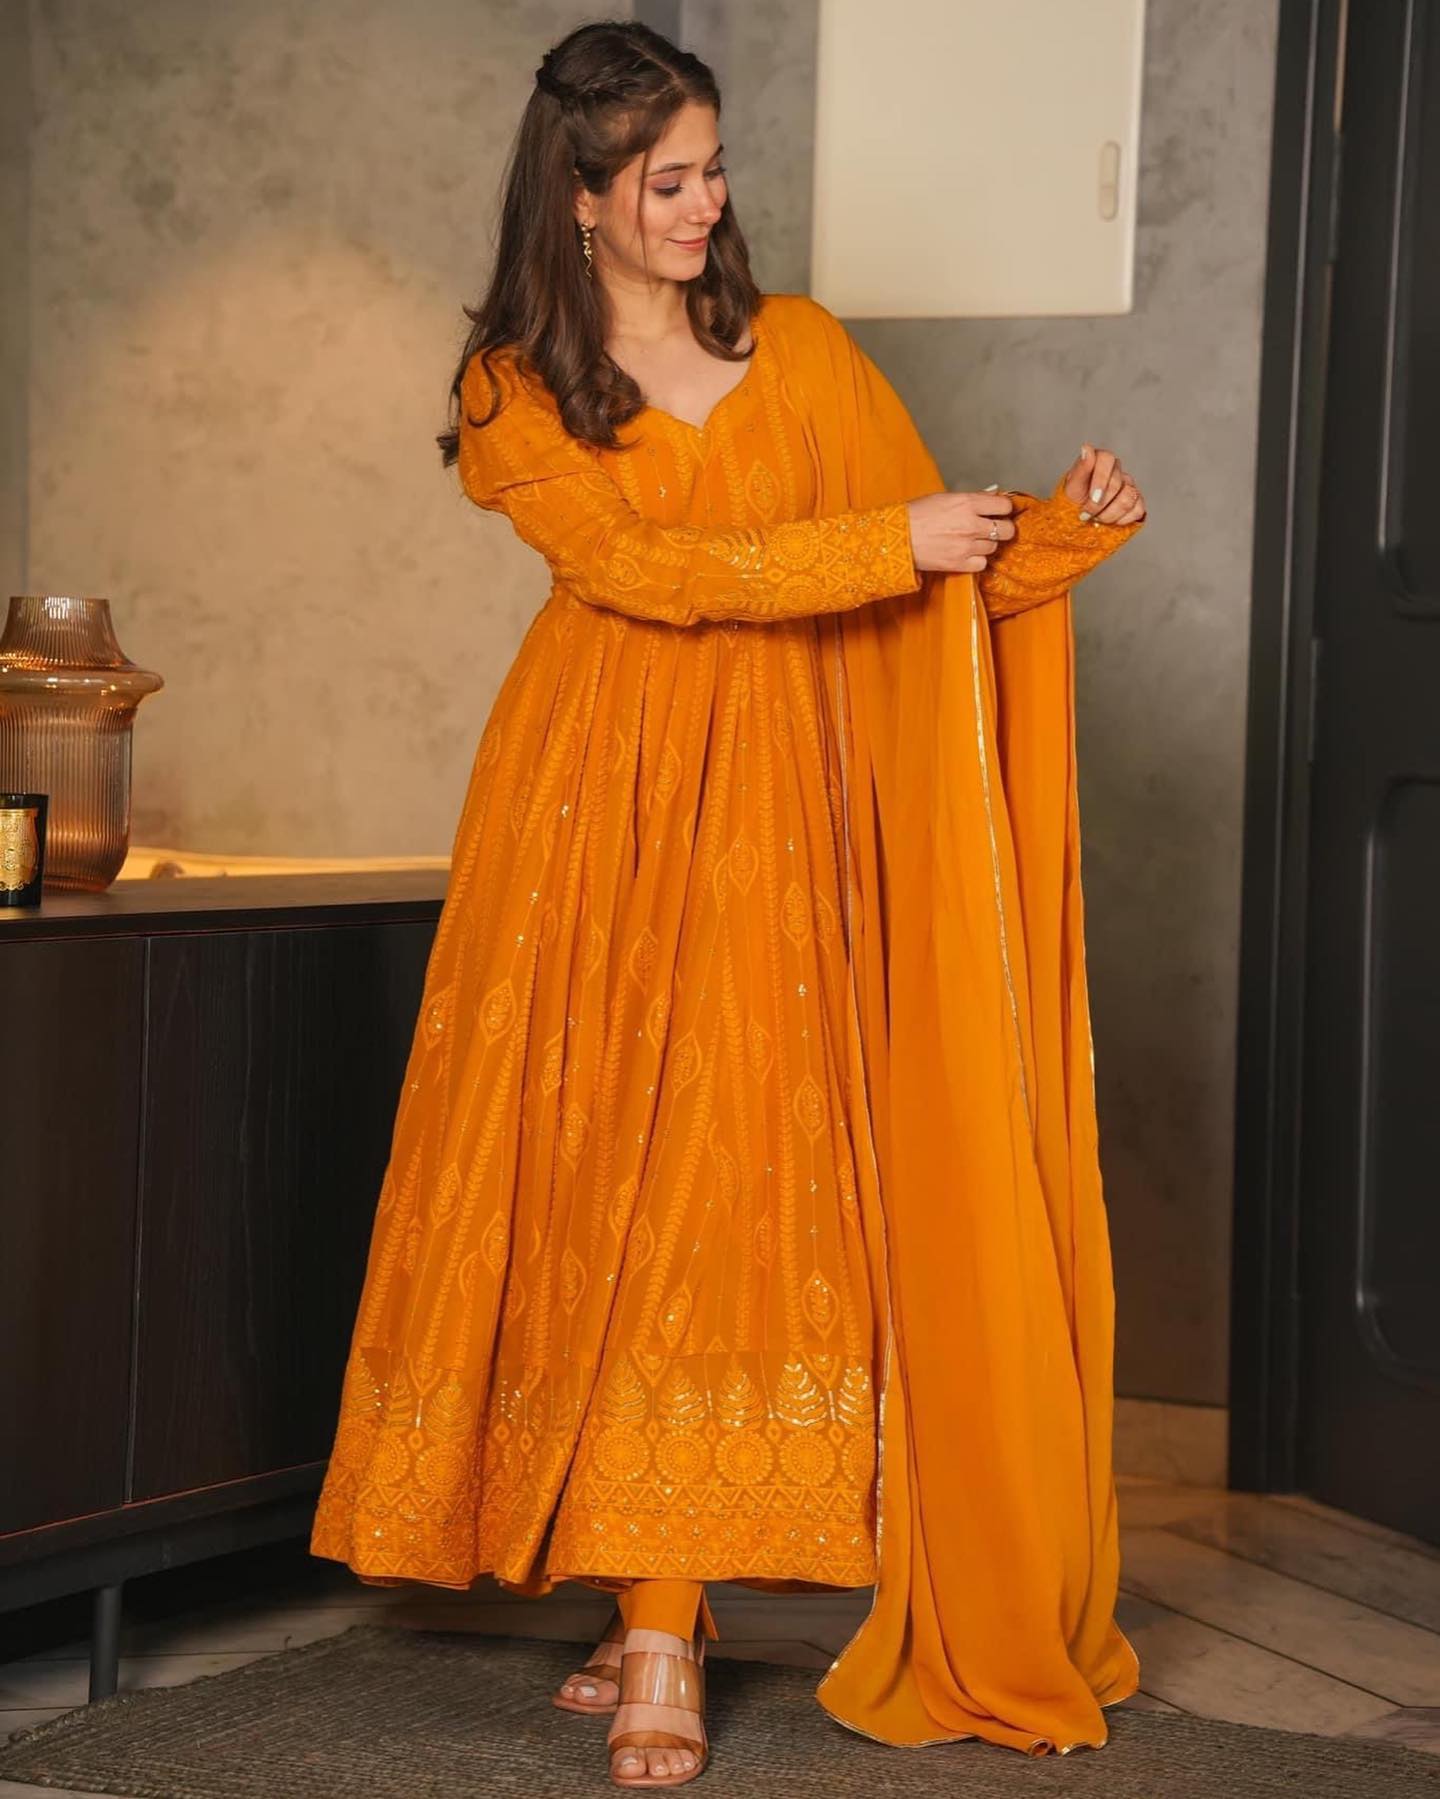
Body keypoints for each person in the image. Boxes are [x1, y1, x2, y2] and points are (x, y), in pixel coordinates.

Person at [311, 17, 1148, 1789]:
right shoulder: (513, 389)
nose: (706, 205)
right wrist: (884, 543)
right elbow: (639, 571)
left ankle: (665, 1614)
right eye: (669, 179)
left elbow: (934, 567)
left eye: (714, 170)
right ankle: (648, 1619)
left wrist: (1053, 539)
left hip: (787, 811)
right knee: (596, 1169)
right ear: (585, 198)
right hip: (592, 815)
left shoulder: (811, 354)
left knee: (736, 1178)